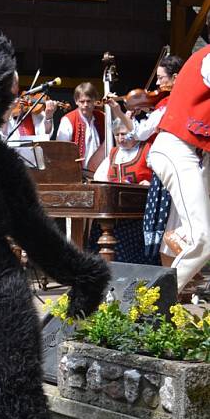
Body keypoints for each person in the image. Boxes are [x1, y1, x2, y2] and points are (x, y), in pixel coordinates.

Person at [105, 55, 184, 266]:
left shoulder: (168, 104)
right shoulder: (175, 102)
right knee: (176, 226)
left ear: (175, 78)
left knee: (171, 227)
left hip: (170, 168)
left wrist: (119, 112)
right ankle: (183, 277)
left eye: (161, 78)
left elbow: (140, 132)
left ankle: (177, 277)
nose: (157, 84)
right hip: (178, 166)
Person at [147, 43, 210, 294]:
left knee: (200, 235)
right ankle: (152, 304)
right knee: (203, 240)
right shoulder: (208, 58)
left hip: (194, 153)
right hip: (177, 148)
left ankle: (181, 235)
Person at [90, 118, 153, 263]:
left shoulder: (147, 149)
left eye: (124, 134)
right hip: (115, 211)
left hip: (139, 213)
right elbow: (99, 176)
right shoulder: (113, 153)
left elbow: (161, 174)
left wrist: (150, 183)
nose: (120, 138)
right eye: (117, 134)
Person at [56, 82, 105, 173]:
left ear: (95, 100)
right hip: (77, 172)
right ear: (76, 101)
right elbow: (61, 151)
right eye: (82, 101)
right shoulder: (68, 120)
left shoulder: (102, 117)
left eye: (89, 101)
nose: (85, 105)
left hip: (100, 172)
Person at [0, 71, 57, 142]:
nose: (12, 88)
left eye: (15, 84)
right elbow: (1, 136)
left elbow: (46, 134)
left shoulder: (34, 111)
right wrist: (8, 112)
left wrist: (49, 117)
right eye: (9, 85)